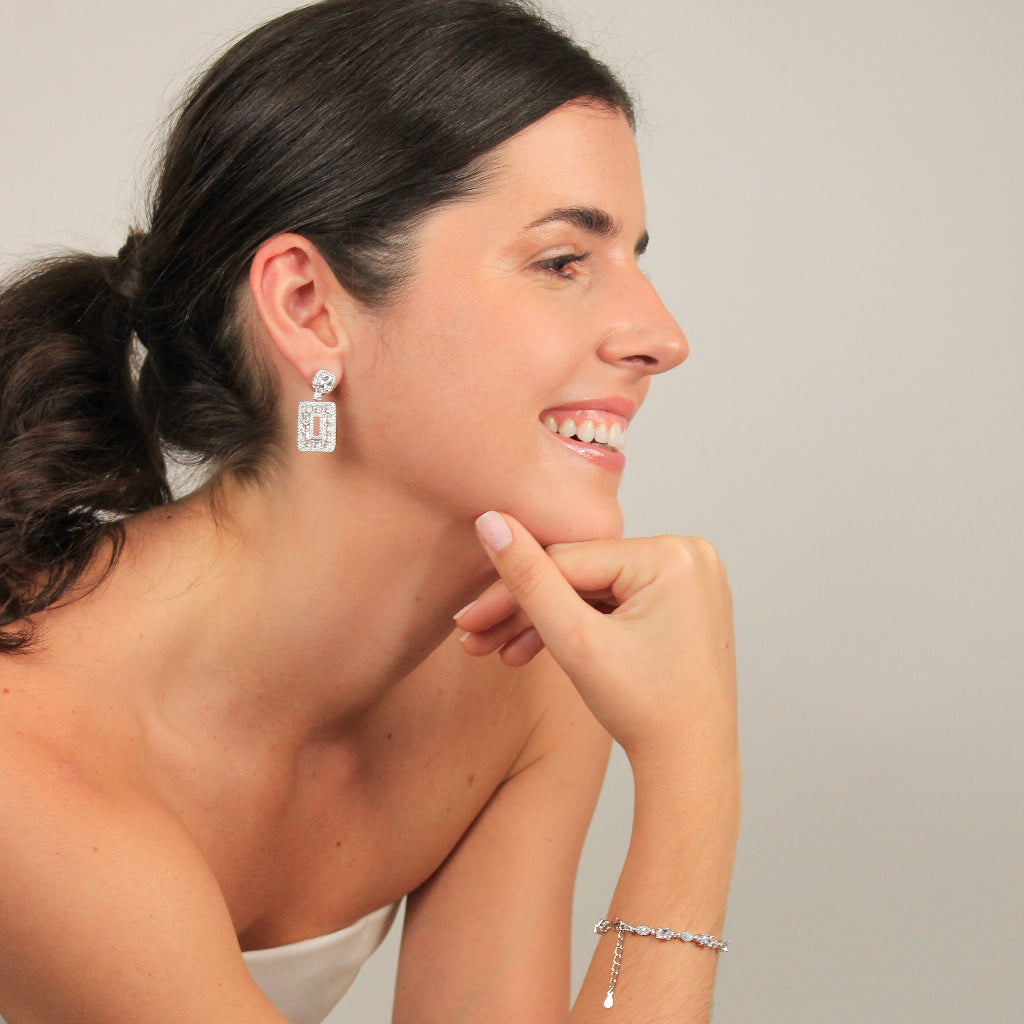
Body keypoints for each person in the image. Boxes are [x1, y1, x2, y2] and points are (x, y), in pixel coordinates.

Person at [0, 1, 739, 1022]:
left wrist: (689, 757)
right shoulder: (29, 755)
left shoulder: (520, 672)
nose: (661, 336)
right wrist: (698, 773)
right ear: (309, 308)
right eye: (564, 261)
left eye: (634, 260)